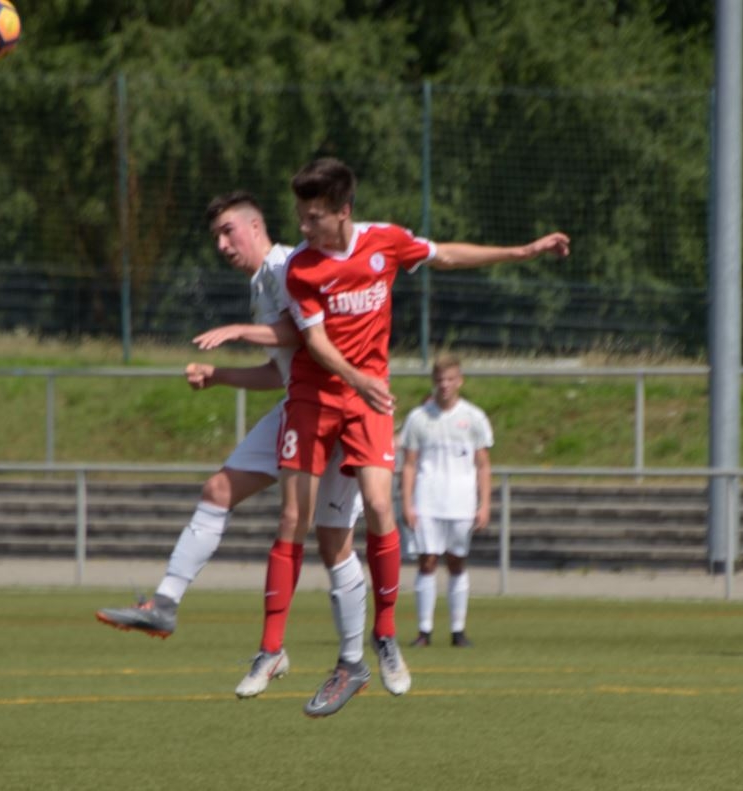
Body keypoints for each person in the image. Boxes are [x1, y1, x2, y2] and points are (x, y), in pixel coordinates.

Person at [277, 156, 570, 717]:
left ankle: (385, 638)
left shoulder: (384, 242)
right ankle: (329, 655)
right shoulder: (300, 267)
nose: (304, 226)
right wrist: (357, 376)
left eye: (313, 216)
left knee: (381, 506)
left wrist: (521, 251)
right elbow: (314, 343)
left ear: (344, 211)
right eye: (300, 216)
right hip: (327, 397)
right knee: (320, 531)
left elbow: (447, 255)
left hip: (370, 401)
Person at [95, 191, 365, 701]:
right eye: (216, 236)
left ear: (256, 227)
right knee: (218, 489)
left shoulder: (289, 266)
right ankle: (166, 606)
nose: (221, 244)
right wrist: (219, 376)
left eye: (227, 232)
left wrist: (243, 330)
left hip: (338, 409)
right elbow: (280, 367)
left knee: (333, 545)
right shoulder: (262, 284)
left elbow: (310, 335)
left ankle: (353, 660)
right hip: (296, 405)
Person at [399, 355, 493, 648]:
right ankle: (424, 631)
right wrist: (406, 503)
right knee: (427, 561)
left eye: (450, 379)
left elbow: (483, 464)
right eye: (440, 380)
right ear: (433, 382)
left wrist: (484, 503)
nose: (445, 385)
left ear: (460, 381)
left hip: (461, 501)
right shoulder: (418, 418)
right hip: (427, 499)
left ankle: (457, 630)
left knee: (456, 561)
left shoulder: (473, 417)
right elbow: (410, 464)